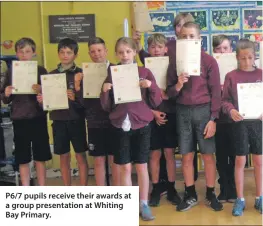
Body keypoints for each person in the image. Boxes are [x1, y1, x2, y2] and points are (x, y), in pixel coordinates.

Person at [100, 37, 162, 221]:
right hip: (120, 125)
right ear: (116, 54)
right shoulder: (112, 72)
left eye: (128, 51)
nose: (124, 55)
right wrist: (105, 90)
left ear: (135, 52)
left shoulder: (144, 71)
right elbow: (105, 106)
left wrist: (150, 86)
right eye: (120, 52)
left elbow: (157, 100)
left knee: (142, 166)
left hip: (141, 124)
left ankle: (144, 203)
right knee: (125, 167)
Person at [167, 22, 223, 212]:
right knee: (186, 155)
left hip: (204, 111)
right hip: (183, 111)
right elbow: (170, 93)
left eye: (192, 36)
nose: (188, 39)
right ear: (179, 39)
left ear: (199, 39)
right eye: (184, 36)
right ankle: (190, 193)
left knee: (208, 155)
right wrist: (178, 85)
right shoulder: (175, 62)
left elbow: (216, 92)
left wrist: (213, 118)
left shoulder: (208, 61)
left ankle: (210, 192)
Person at [1, 37, 52, 185]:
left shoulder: (41, 70)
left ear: (33, 53)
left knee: (40, 156)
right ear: (16, 54)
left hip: (38, 117)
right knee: (22, 157)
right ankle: (25, 188)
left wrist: (42, 90)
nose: (24, 55)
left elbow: (52, 95)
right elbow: (4, 98)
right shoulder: (11, 72)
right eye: (21, 52)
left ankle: (41, 189)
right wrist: (6, 93)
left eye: (27, 51)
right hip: (19, 119)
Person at [37, 38, 88, 186]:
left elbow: (87, 102)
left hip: (76, 120)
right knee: (63, 157)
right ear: (58, 54)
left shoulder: (80, 74)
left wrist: (75, 97)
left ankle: (83, 189)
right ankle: (67, 189)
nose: (65, 55)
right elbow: (46, 104)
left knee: (80, 156)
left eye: (69, 52)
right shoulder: (50, 75)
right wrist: (42, 100)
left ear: (75, 55)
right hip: (58, 121)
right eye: (62, 52)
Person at [222, 39, 262, 216]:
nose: (247, 62)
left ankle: (260, 197)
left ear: (255, 57)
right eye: (243, 58)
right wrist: (230, 110)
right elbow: (224, 100)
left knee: (259, 161)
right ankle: (240, 199)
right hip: (239, 124)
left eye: (250, 57)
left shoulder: (261, 74)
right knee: (240, 160)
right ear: (237, 57)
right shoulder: (231, 76)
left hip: (258, 123)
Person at [74, 37, 120, 186]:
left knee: (115, 160)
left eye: (99, 50)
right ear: (89, 54)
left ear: (106, 51)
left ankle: (118, 194)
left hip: (114, 121)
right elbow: (82, 102)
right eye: (92, 51)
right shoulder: (84, 73)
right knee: (98, 160)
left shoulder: (116, 70)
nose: (96, 54)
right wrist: (78, 86)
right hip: (94, 122)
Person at [212, 35, 237, 203]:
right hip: (217, 119)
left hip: (234, 119)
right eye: (218, 48)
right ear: (214, 51)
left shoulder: (237, 69)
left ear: (231, 50)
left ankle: (234, 187)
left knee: (235, 155)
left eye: (225, 48)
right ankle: (224, 187)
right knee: (221, 156)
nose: (222, 51)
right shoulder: (210, 68)